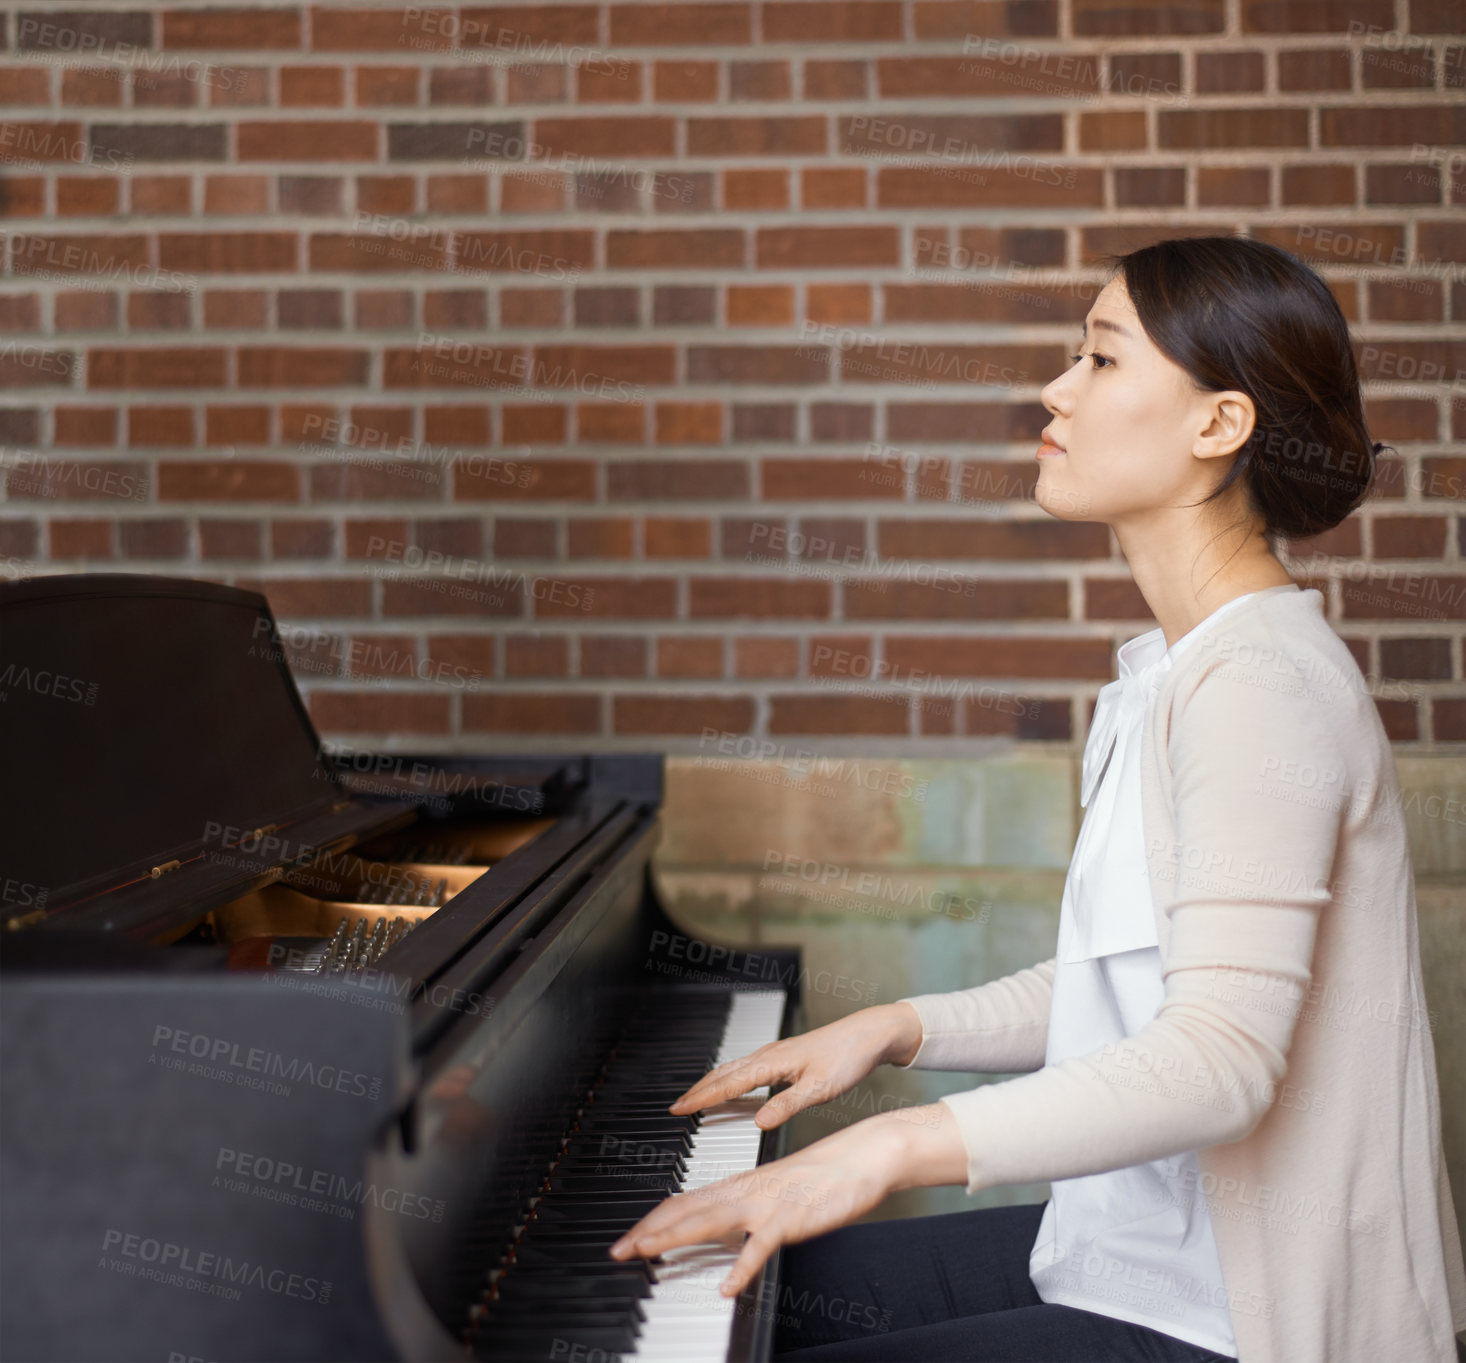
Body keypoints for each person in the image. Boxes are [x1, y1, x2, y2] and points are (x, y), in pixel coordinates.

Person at [610, 236, 1466, 1362]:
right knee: (715, 1289)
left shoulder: (1257, 686)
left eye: (1102, 362)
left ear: (1217, 425)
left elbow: (1217, 1060)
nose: (1054, 389)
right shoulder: (1172, 671)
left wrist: (881, 1150)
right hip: (1129, 1251)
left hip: (1240, 1318)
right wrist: (896, 1028)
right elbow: (1133, 977)